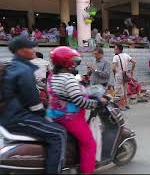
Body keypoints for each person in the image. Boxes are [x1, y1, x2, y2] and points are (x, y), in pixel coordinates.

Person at [0, 36, 67, 174]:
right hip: (19, 118)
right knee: (59, 133)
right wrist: (46, 115)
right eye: (30, 48)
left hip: (10, 115)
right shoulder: (24, 70)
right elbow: (34, 103)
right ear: (20, 51)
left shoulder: (13, 66)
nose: (33, 50)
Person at [46, 46, 107, 174]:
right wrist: (96, 103)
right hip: (70, 118)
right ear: (65, 62)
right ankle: (87, 171)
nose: (74, 63)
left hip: (53, 115)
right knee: (89, 144)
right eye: (72, 60)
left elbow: (64, 95)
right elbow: (79, 101)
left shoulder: (52, 76)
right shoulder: (68, 79)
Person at [112, 44, 136, 111]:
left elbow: (113, 68)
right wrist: (132, 70)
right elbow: (134, 62)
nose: (114, 50)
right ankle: (126, 104)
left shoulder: (116, 57)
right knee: (125, 90)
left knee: (120, 91)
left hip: (119, 75)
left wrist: (115, 72)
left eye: (115, 49)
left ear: (118, 49)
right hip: (125, 75)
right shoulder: (126, 55)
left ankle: (121, 106)